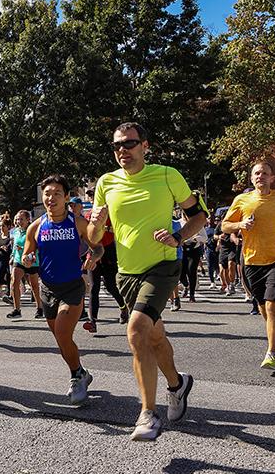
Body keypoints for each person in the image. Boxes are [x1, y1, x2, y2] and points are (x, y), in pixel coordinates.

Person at [86, 122, 203, 441]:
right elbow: (95, 237)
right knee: (154, 336)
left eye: (129, 144)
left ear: (145, 146)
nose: (122, 150)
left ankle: (147, 414)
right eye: (117, 146)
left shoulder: (167, 175)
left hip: (163, 266)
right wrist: (95, 230)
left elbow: (199, 216)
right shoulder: (106, 183)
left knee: (136, 329)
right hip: (126, 272)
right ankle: (178, 385)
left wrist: (178, 237)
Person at [23, 175, 97, 404]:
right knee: (61, 339)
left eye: (57, 193)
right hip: (48, 288)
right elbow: (27, 254)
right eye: (47, 193)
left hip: (72, 287)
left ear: (66, 197)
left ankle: (75, 377)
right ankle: (82, 373)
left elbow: (99, 248)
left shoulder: (78, 223)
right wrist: (27, 258)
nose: (51, 198)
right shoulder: (36, 227)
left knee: (64, 333)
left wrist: (93, 257)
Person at [221, 161, 275, 369]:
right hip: (252, 260)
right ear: (251, 178)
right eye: (256, 173)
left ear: (272, 178)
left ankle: (270, 352)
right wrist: (241, 224)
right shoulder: (242, 199)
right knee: (263, 307)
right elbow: (225, 226)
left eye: (264, 173)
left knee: (273, 305)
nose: (260, 176)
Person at [8, 209, 43, 319]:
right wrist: (13, 255)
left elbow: (37, 245)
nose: (19, 221)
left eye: (21, 219)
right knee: (14, 282)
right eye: (17, 219)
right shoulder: (15, 231)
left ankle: (40, 308)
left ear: (28, 220)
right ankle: (17, 309)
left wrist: (25, 250)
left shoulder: (32, 230)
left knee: (34, 286)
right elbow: (14, 245)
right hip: (18, 260)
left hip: (32, 260)